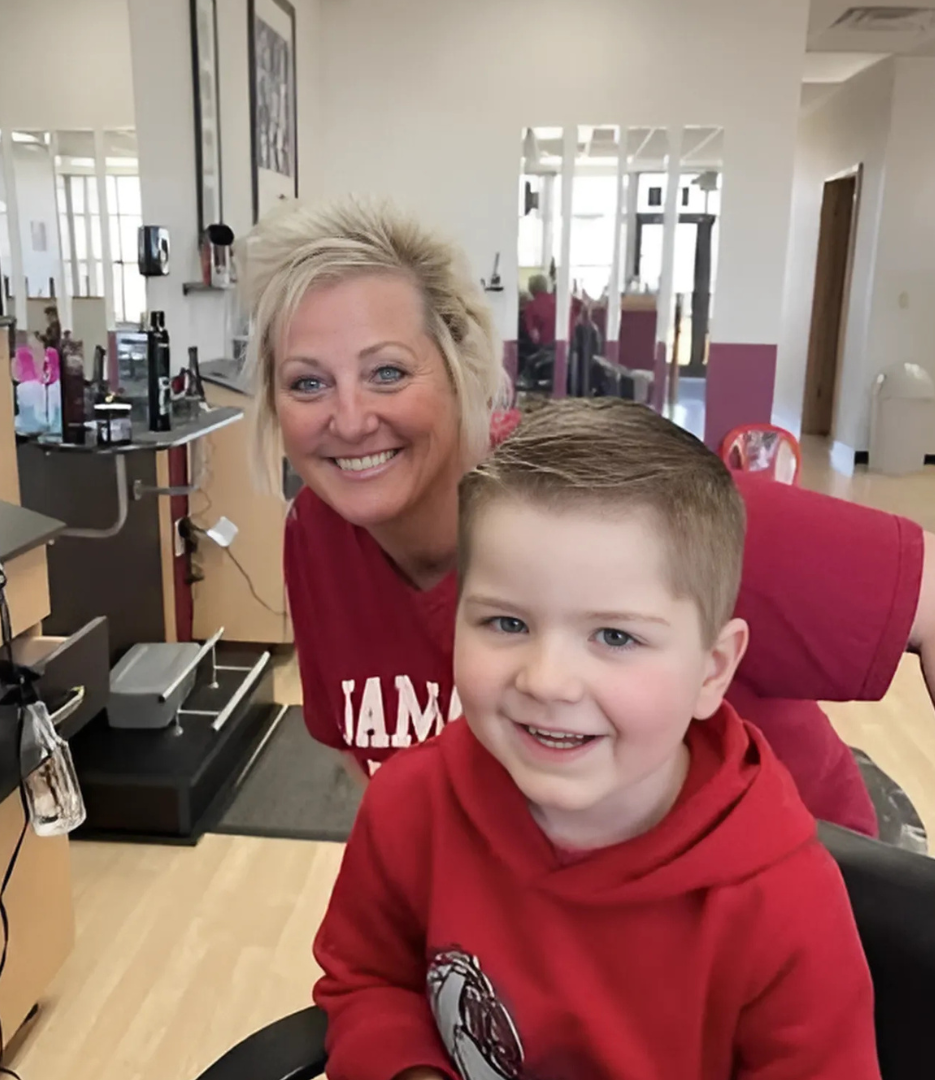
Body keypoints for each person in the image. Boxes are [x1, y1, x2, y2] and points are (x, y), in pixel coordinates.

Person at [242, 195, 935, 835]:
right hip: (551, 916)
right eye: (308, 382)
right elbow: (367, 764)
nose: (350, 419)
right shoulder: (319, 537)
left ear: (461, 364)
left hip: (789, 895)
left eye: (388, 372)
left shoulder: (610, 496)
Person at [313, 400, 880, 1080]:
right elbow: (369, 980)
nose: (547, 681)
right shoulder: (409, 806)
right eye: (506, 624)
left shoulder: (786, 908)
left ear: (712, 670)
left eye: (615, 636)